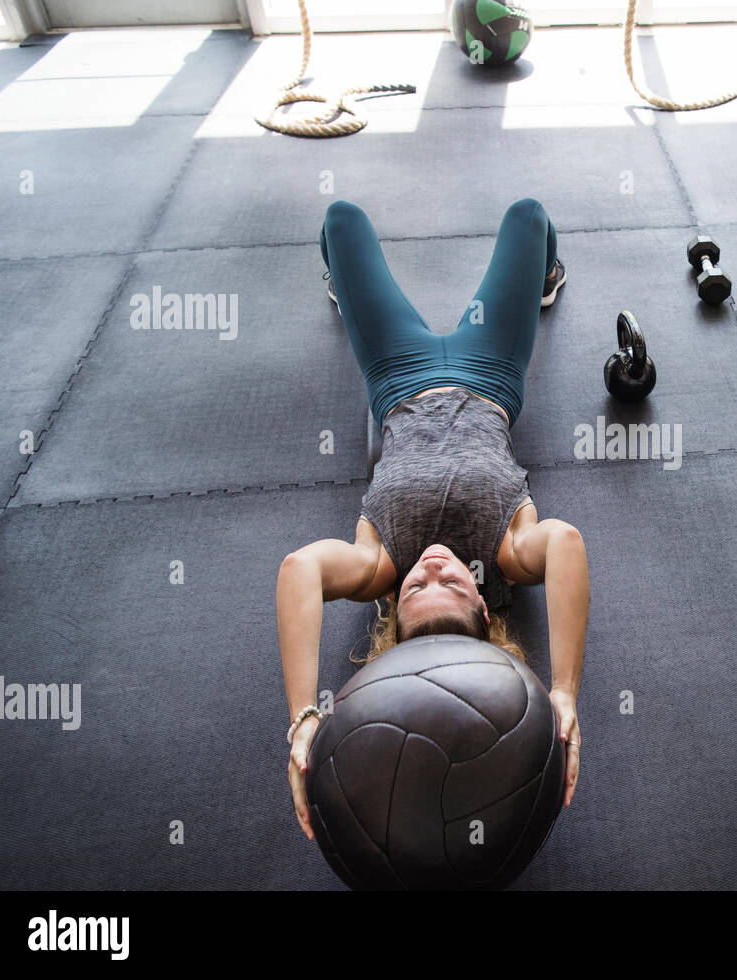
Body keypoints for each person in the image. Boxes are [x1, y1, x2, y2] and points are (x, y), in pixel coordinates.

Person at [276, 198, 588, 842]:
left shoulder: (379, 563)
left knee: (339, 220)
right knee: (529, 215)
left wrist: (304, 716)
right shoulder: (508, 554)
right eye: (452, 585)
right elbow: (566, 544)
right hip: (490, 373)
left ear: (394, 610)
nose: (436, 570)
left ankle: (347, 291)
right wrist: (563, 693)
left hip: (397, 376)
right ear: (486, 605)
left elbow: (299, 569)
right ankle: (547, 275)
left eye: (418, 589)